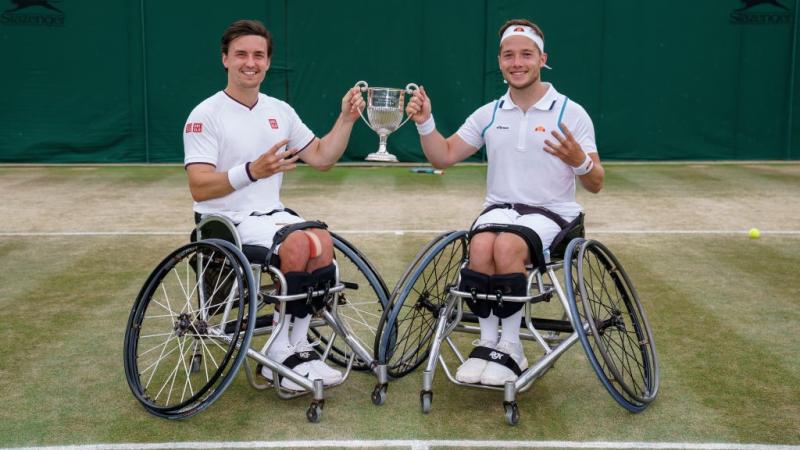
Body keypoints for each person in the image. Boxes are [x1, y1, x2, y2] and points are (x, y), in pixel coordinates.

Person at [405, 19, 605, 386]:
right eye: (509, 55)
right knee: (481, 245)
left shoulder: (570, 113)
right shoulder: (490, 113)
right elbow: (443, 156)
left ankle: (511, 347)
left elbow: (596, 182)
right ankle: (487, 342)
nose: (517, 62)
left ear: (542, 58)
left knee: (508, 247)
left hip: (553, 215)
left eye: (526, 54)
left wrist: (579, 160)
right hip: (499, 211)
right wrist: (425, 121)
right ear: (499, 61)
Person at [183, 19, 365, 390]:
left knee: (322, 241)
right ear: (225, 60)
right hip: (226, 221)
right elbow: (200, 187)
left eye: (258, 55)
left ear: (267, 62)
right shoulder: (204, 115)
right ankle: (283, 353)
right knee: (299, 243)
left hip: (271, 216)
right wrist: (252, 170)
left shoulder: (279, 110)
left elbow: (321, 157)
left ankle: (294, 346)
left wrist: (346, 119)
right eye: (241, 55)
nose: (250, 62)